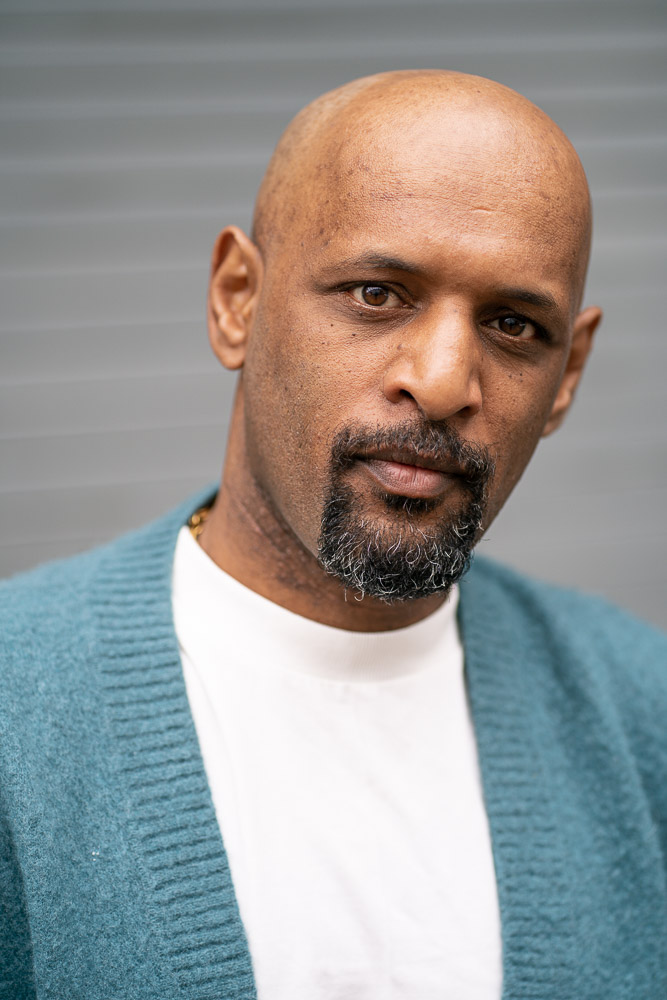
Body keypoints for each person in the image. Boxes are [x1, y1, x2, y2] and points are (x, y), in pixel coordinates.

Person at [1, 70, 665, 1000]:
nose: (443, 381)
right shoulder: (17, 712)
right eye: (376, 294)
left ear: (568, 375)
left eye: (513, 324)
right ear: (237, 299)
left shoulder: (642, 713)